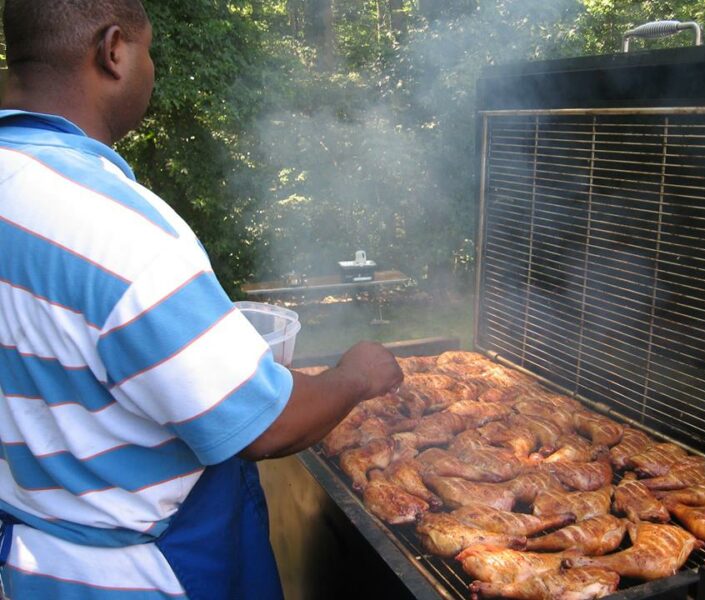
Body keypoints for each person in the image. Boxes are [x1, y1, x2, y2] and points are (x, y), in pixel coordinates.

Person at [0, 1, 404, 598]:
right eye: (149, 50)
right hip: (138, 578)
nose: (153, 69)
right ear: (114, 51)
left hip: (31, 566)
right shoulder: (113, 229)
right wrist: (355, 375)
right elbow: (263, 427)